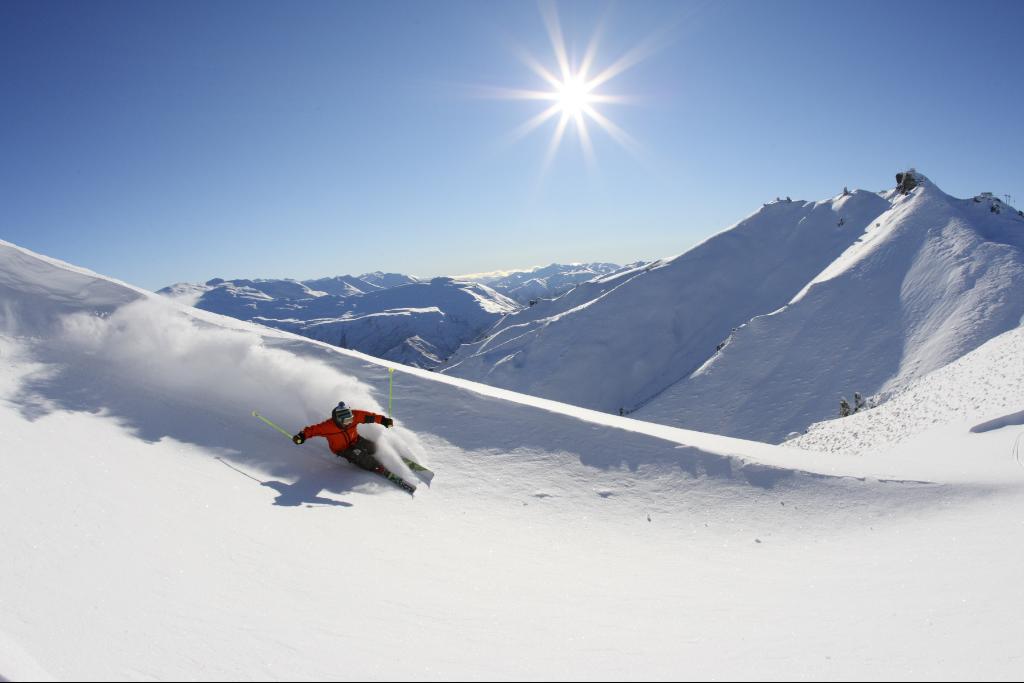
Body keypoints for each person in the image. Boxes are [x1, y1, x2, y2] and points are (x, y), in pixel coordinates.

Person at [292, 401, 394, 472]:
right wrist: (301, 436)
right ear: (338, 420)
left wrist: (383, 420)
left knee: (372, 447)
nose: (350, 422)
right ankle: (376, 467)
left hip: (356, 440)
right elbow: (312, 430)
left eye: (351, 419)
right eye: (347, 421)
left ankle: (382, 455)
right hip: (342, 449)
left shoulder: (355, 416)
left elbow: (370, 417)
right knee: (359, 455)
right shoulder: (328, 427)